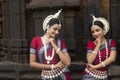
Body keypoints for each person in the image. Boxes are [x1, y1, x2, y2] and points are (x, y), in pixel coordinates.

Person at [29, 9, 71, 80]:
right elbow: (32, 64)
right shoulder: (36, 40)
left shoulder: (60, 42)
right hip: (46, 77)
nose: (57, 32)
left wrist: (55, 45)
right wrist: (53, 66)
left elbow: (68, 63)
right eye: (54, 29)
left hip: (62, 76)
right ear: (48, 27)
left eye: (58, 30)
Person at [82, 14, 117, 80]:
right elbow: (89, 61)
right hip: (89, 75)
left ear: (103, 30)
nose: (95, 34)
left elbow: (112, 58)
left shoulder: (111, 42)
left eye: (97, 30)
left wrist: (96, 67)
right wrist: (98, 45)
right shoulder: (90, 44)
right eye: (93, 32)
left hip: (103, 76)